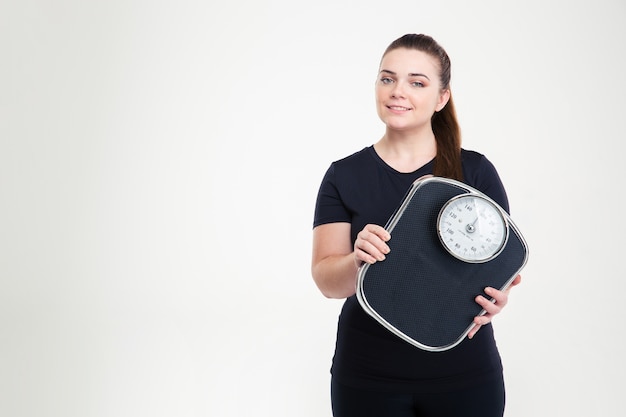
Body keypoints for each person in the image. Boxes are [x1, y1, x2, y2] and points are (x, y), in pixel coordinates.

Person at [311, 33, 522, 417]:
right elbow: (326, 280)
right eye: (387, 78)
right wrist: (357, 259)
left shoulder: (475, 172)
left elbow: (502, 267)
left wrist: (499, 298)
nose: (397, 91)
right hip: (367, 375)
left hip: (465, 373)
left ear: (441, 98)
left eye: (417, 82)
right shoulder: (344, 175)